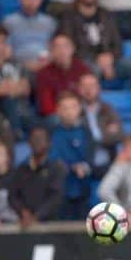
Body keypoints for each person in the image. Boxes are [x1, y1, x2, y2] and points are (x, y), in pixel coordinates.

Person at [58, 0, 131, 95]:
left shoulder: (107, 14)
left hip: (110, 60)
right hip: (84, 61)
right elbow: (68, 47)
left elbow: (118, 44)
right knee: (93, 70)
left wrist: (110, 58)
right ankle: (95, 108)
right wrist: (97, 59)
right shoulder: (68, 17)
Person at [0, 23, 34, 140]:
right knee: (6, 100)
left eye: (2, 42)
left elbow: (26, 89)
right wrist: (0, 93)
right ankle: (16, 134)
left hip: (24, 112)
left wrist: (4, 90)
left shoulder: (15, 63)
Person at [9, 126, 66, 228]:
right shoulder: (21, 169)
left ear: (49, 143)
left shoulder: (57, 168)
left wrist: (36, 217)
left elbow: (56, 198)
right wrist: (23, 212)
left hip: (51, 225)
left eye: (41, 139)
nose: (37, 142)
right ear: (29, 143)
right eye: (34, 138)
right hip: (23, 223)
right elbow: (13, 196)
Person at [49, 91, 94, 220]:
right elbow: (51, 160)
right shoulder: (52, 132)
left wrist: (84, 167)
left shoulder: (86, 132)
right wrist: (71, 167)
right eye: (65, 108)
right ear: (58, 110)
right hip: (58, 191)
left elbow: (91, 159)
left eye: (73, 107)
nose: (69, 112)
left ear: (79, 109)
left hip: (82, 189)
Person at [3, 0, 57, 73]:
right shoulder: (9, 21)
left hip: (46, 67)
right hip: (18, 68)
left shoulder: (50, 22)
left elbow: (54, 49)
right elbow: (6, 51)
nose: (31, 1)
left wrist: (44, 63)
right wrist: (24, 65)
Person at [78, 72, 124, 177]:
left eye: (92, 86)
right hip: (84, 159)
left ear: (98, 88)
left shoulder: (108, 109)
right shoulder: (76, 111)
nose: (88, 90)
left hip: (108, 160)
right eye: (85, 86)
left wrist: (96, 138)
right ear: (79, 89)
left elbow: (119, 135)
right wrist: (106, 132)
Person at [35, 33, 90, 117]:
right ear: (51, 51)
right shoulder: (43, 74)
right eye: (57, 47)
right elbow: (46, 105)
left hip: (81, 113)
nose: (62, 51)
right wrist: (65, 114)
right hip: (57, 115)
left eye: (65, 46)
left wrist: (76, 112)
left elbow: (89, 96)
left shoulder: (83, 69)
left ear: (72, 49)